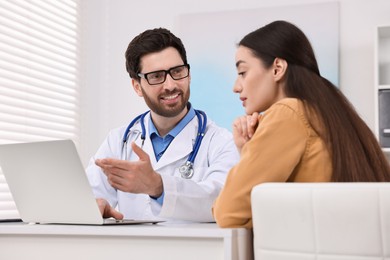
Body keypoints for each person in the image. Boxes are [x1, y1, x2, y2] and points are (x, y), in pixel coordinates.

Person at [212, 20, 390, 228]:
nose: (236, 86)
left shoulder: (287, 113)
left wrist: (245, 158)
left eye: (243, 72)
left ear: (277, 69)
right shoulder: (330, 114)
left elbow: (228, 212)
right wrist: (249, 149)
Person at [86, 28, 239, 222]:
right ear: (137, 86)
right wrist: (94, 207)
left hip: (194, 252)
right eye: (157, 76)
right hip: (129, 251)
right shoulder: (119, 141)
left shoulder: (221, 142)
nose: (170, 85)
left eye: (177, 72)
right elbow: (87, 196)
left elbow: (222, 200)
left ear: (189, 74)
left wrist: (158, 186)